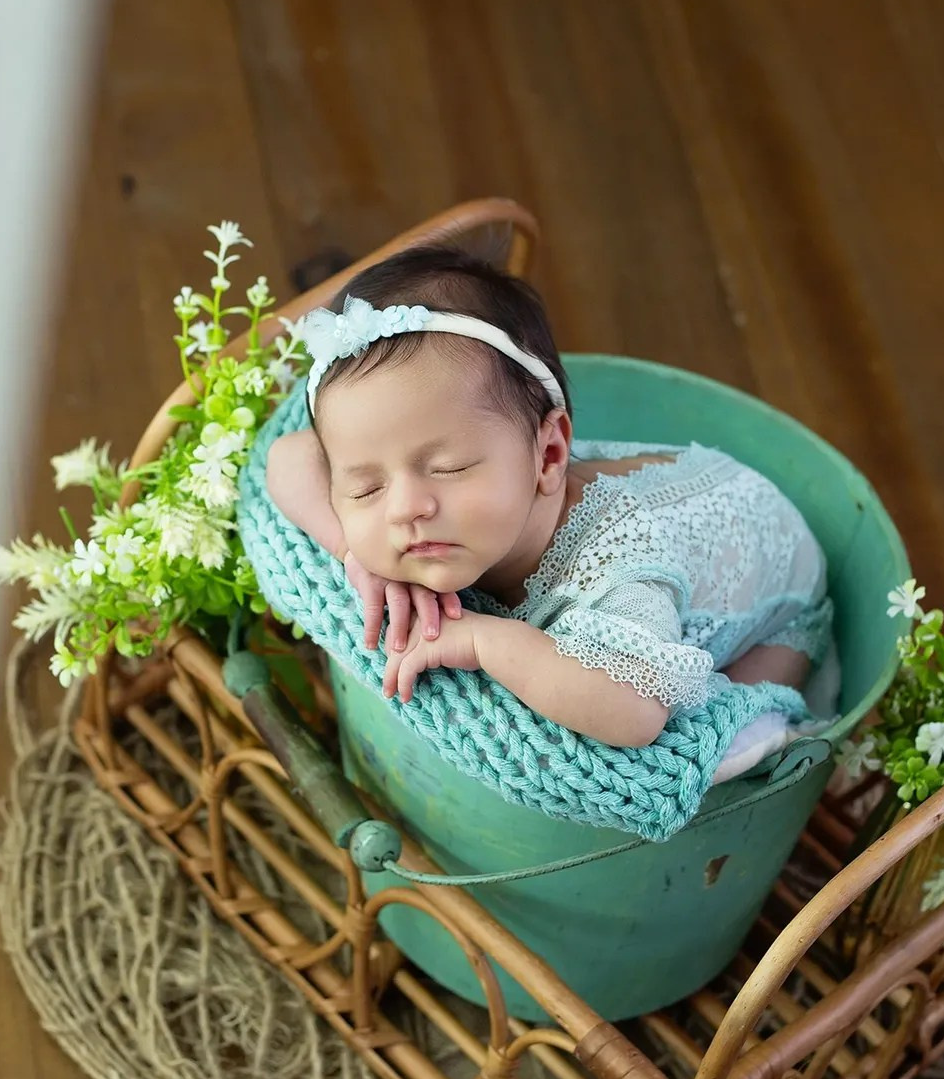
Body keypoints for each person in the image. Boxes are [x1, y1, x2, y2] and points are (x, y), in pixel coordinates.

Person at [265, 247, 832, 749]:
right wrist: (355, 554)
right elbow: (287, 459)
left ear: (550, 455)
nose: (403, 509)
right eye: (366, 487)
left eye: (449, 467)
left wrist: (486, 641)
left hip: (779, 602)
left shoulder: (620, 569)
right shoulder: (451, 517)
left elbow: (636, 712)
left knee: (730, 729)